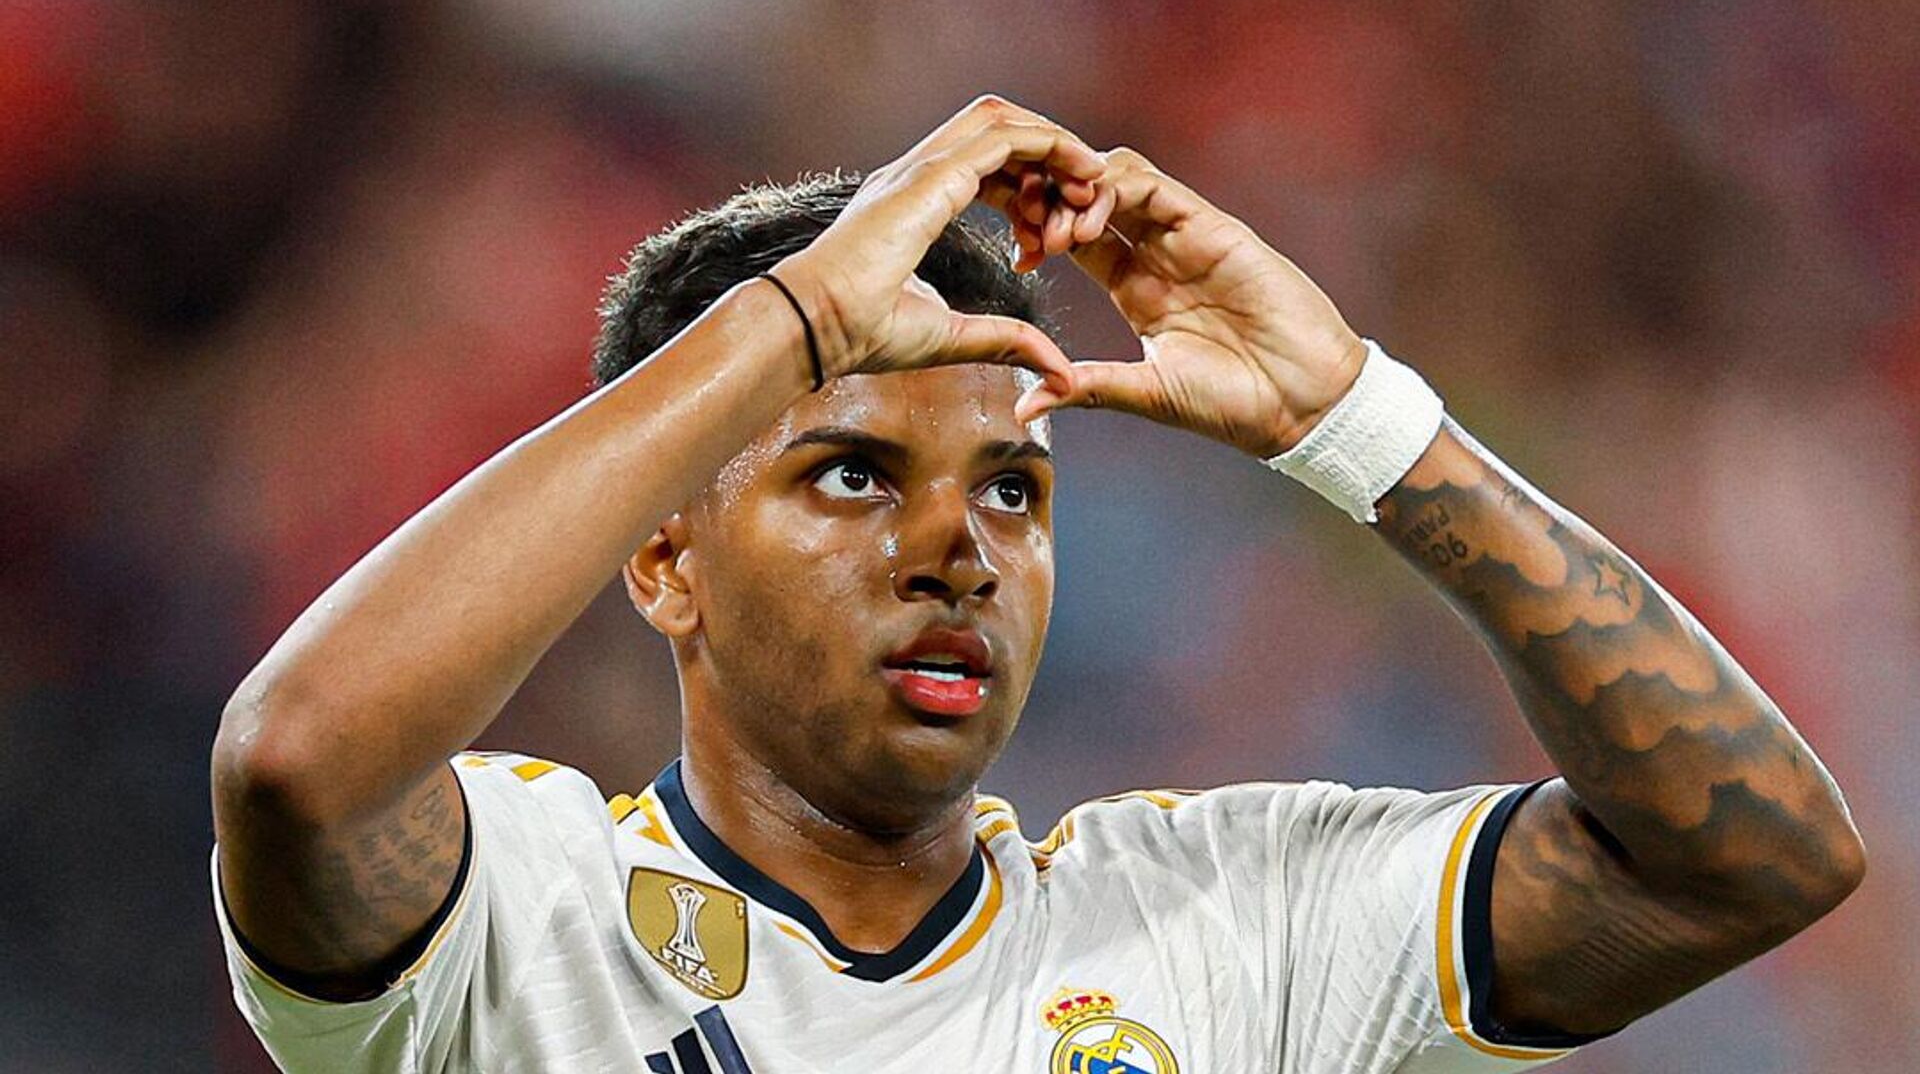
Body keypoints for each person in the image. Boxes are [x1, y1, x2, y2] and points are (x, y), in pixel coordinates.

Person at [210, 97, 1864, 1073]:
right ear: (664, 558)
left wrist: (1357, 421)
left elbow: (1755, 860)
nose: (961, 549)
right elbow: (296, 762)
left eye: (1013, 488)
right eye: (853, 474)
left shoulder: (1226, 922)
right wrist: (796, 320)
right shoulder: (526, 914)